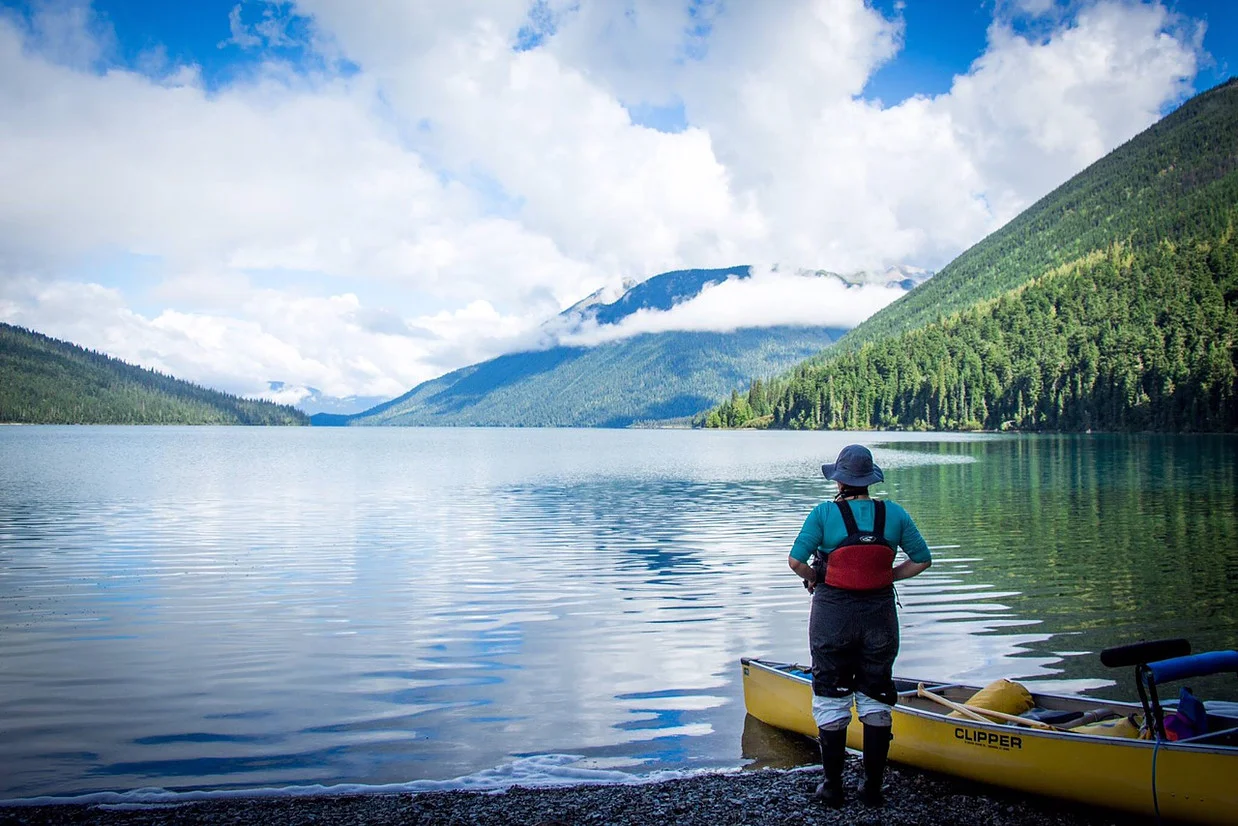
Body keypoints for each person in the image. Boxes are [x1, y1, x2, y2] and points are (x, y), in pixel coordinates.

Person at [786, 444, 931, 808]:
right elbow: (922, 560)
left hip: (833, 615)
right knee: (876, 692)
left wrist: (818, 576)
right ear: (869, 480)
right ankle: (872, 789)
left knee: (830, 694)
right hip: (879, 615)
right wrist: (887, 575)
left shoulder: (823, 513)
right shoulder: (894, 514)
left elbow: (795, 561)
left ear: (839, 480)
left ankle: (833, 787)